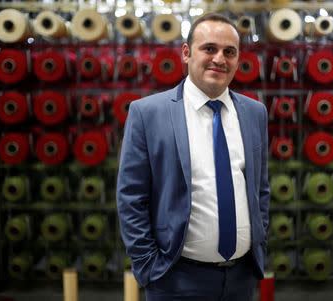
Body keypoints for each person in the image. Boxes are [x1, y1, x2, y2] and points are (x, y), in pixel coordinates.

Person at [116, 12, 270, 300]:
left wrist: (258, 246)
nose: (219, 59)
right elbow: (131, 198)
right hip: (175, 279)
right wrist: (148, 266)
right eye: (209, 48)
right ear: (186, 53)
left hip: (241, 279)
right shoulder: (148, 113)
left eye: (229, 52)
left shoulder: (254, 113)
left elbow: (260, 189)